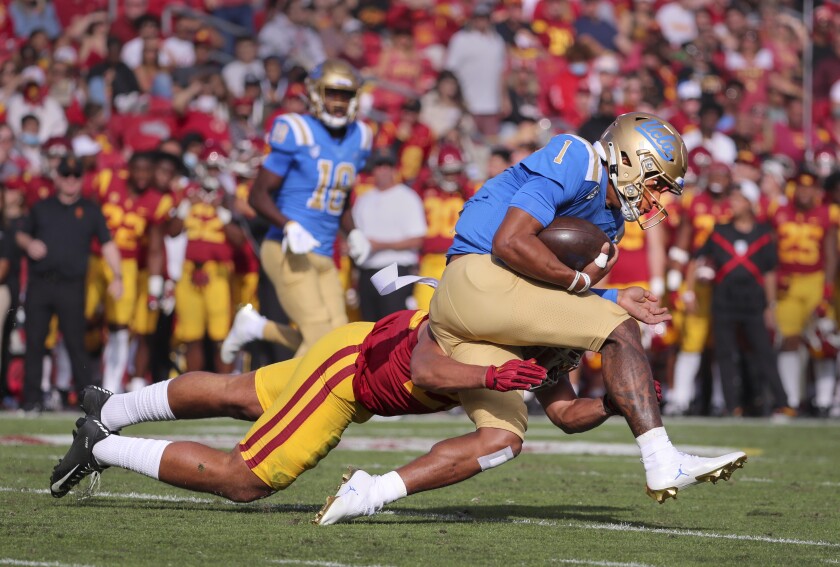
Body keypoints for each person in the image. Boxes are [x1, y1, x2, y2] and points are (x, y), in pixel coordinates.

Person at [316, 112, 747, 525]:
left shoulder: (610, 222)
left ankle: (370, 493)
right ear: (631, 159)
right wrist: (592, 291)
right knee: (618, 326)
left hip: (493, 315)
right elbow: (510, 242)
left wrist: (616, 400)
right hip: (479, 277)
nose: (658, 197)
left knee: (501, 441)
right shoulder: (579, 157)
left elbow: (564, 414)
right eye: (656, 183)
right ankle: (662, 459)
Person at [49, 308, 549, 500]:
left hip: (357, 346)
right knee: (244, 478)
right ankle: (100, 447)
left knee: (241, 395)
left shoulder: (523, 307)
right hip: (350, 376)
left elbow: (569, 412)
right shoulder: (492, 327)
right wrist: (491, 374)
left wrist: (622, 406)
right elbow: (427, 370)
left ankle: (110, 408)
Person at [247, 58, 373, 356]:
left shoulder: (361, 136)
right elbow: (257, 195)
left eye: (346, 95)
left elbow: (338, 195)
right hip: (285, 248)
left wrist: (352, 232)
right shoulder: (296, 129)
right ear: (316, 93)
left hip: (324, 252)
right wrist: (288, 224)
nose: (339, 103)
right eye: (332, 93)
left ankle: (257, 328)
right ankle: (282, 401)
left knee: (340, 338)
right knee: (318, 332)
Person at [16, 156, 122, 413]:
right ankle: (31, 400)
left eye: (76, 176)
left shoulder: (90, 210)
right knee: (35, 342)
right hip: (41, 284)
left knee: (76, 343)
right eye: (66, 175)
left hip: (72, 286)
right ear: (58, 177)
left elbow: (107, 243)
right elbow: (20, 233)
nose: (71, 180)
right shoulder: (42, 207)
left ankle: (86, 401)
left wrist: (117, 276)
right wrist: (29, 244)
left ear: (81, 179)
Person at [686, 183, 789, 416]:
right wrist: (690, 291)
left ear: (750, 204)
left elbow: (770, 272)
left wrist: (770, 306)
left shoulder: (763, 234)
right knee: (725, 354)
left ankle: (782, 402)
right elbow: (696, 259)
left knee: (764, 351)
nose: (732, 203)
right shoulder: (720, 231)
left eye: (738, 199)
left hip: (753, 303)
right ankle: (733, 406)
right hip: (724, 301)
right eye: (731, 198)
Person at [352, 152, 427, 321]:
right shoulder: (364, 199)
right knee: (368, 327)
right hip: (366, 270)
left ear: (394, 170)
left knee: (392, 326)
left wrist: (380, 245)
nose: (383, 171)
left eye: (388, 166)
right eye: (379, 166)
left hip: (395, 269)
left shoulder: (407, 197)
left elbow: (417, 240)